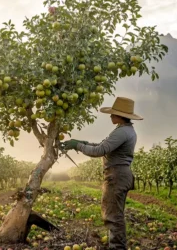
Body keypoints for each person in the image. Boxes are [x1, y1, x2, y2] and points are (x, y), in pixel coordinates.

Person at [63, 96, 142, 250]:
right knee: (115, 215)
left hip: (117, 176)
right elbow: (103, 145)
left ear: (121, 115)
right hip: (120, 175)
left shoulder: (122, 132)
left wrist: (77, 145)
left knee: (113, 217)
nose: (111, 116)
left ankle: (117, 247)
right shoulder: (124, 130)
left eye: (113, 113)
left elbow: (99, 151)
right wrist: (85, 143)